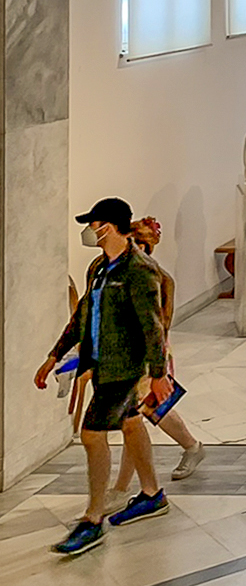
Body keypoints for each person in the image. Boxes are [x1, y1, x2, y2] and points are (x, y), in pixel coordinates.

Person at [35, 198, 173, 556]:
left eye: (92, 223)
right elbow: (82, 316)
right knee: (130, 424)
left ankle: (92, 519)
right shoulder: (100, 269)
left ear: (107, 226)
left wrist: (158, 374)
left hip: (124, 370)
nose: (89, 230)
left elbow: (153, 326)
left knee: (92, 435)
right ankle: (152, 494)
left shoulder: (139, 270)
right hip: (101, 364)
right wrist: (53, 357)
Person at [102, 218, 204, 490]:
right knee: (148, 411)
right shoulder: (109, 271)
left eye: (142, 245)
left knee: (135, 416)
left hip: (146, 355)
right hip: (123, 355)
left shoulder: (157, 278)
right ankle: (192, 447)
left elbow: (160, 325)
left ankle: (122, 488)